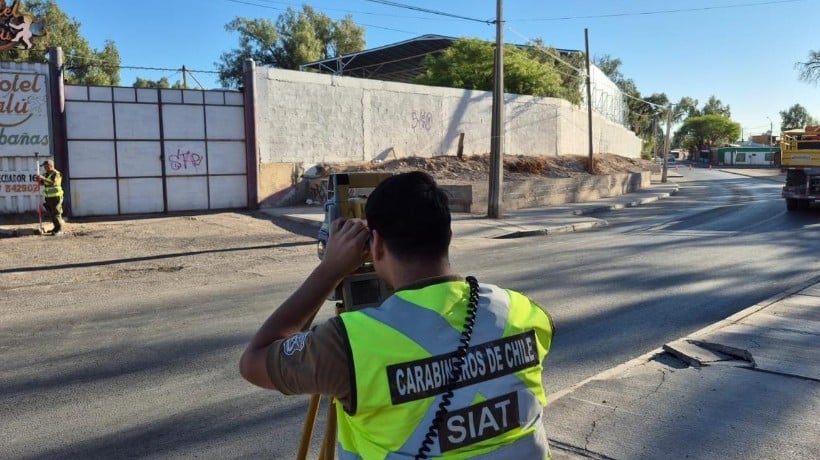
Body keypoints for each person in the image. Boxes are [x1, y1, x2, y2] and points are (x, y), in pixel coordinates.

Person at [239, 171, 555, 458]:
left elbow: (255, 360)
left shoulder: (349, 344)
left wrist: (330, 270)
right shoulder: (522, 312)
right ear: (448, 236)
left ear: (375, 245)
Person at [36, 160, 65, 236]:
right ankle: (55, 228)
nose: (45, 168)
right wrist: (39, 180)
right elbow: (43, 183)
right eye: (44, 167)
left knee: (56, 213)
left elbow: (53, 183)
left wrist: (43, 178)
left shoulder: (57, 174)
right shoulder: (46, 174)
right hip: (48, 197)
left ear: (51, 165)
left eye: (46, 166)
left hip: (56, 196)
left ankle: (60, 229)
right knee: (52, 213)